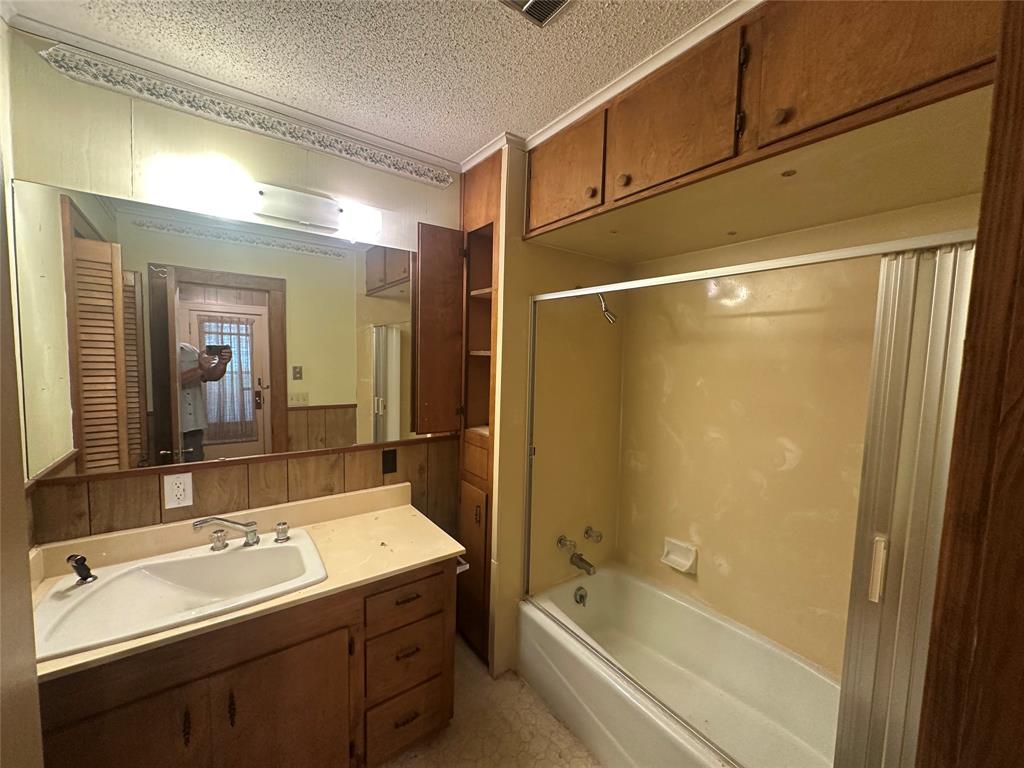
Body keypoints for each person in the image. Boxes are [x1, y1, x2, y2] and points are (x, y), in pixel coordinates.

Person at [178, 342, 232, 462]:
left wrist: (222, 363)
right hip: (171, 424)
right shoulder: (161, 351)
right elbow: (170, 381)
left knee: (196, 465)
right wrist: (200, 369)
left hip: (193, 424)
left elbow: (210, 375)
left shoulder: (191, 350)